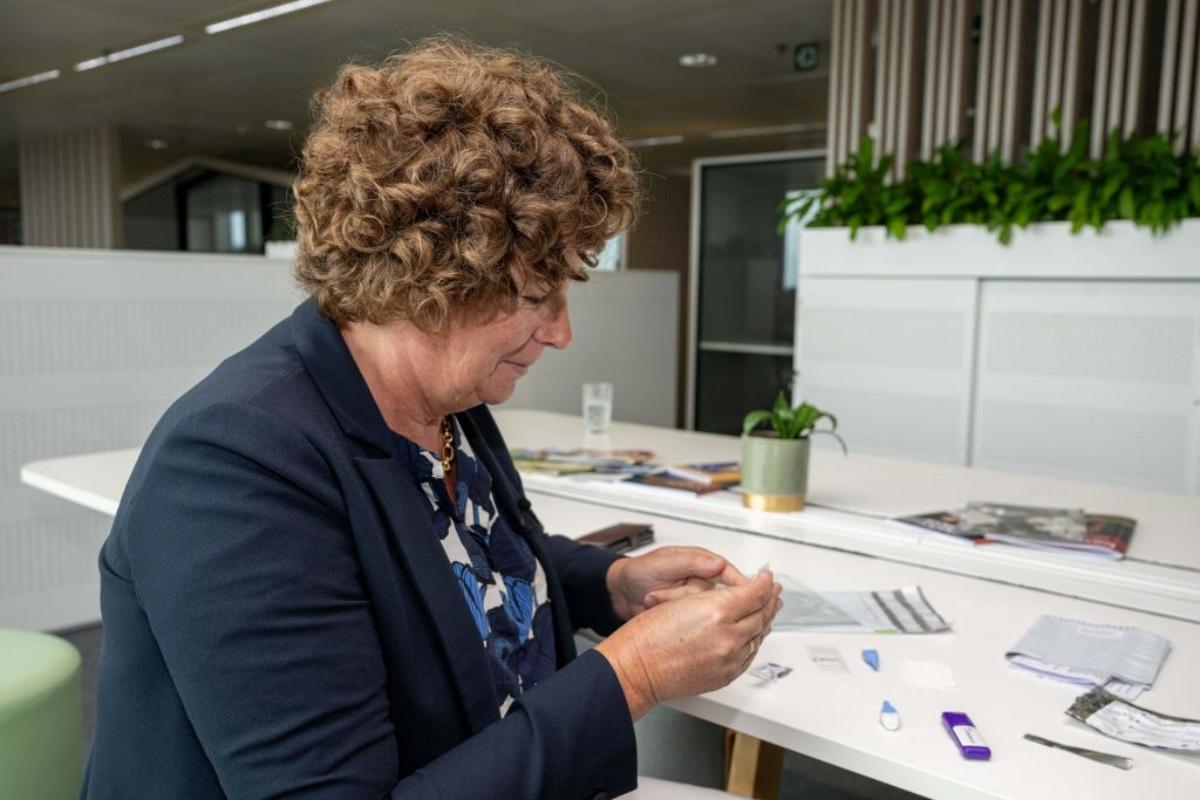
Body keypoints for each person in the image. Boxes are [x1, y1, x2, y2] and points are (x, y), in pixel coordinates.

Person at [82, 39, 781, 799]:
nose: (561, 332)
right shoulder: (233, 464)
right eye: (538, 293)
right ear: (437, 271)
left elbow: (462, 557)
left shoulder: (446, 395)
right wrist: (633, 675)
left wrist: (609, 584)